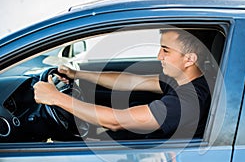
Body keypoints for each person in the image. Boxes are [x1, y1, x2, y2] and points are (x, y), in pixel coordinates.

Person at [33, 28, 211, 140]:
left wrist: (56, 97)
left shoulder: (187, 102)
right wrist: (78, 74)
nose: (159, 56)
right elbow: (131, 80)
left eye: (165, 50)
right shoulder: (181, 79)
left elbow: (116, 121)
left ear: (189, 59)